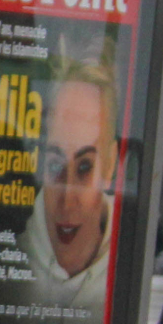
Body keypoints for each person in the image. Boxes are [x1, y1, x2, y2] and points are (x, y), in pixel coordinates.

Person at [17, 65, 119, 310]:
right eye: (55, 165)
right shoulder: (12, 239)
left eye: (84, 167)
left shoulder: (126, 256)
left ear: (110, 165)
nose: (68, 198)